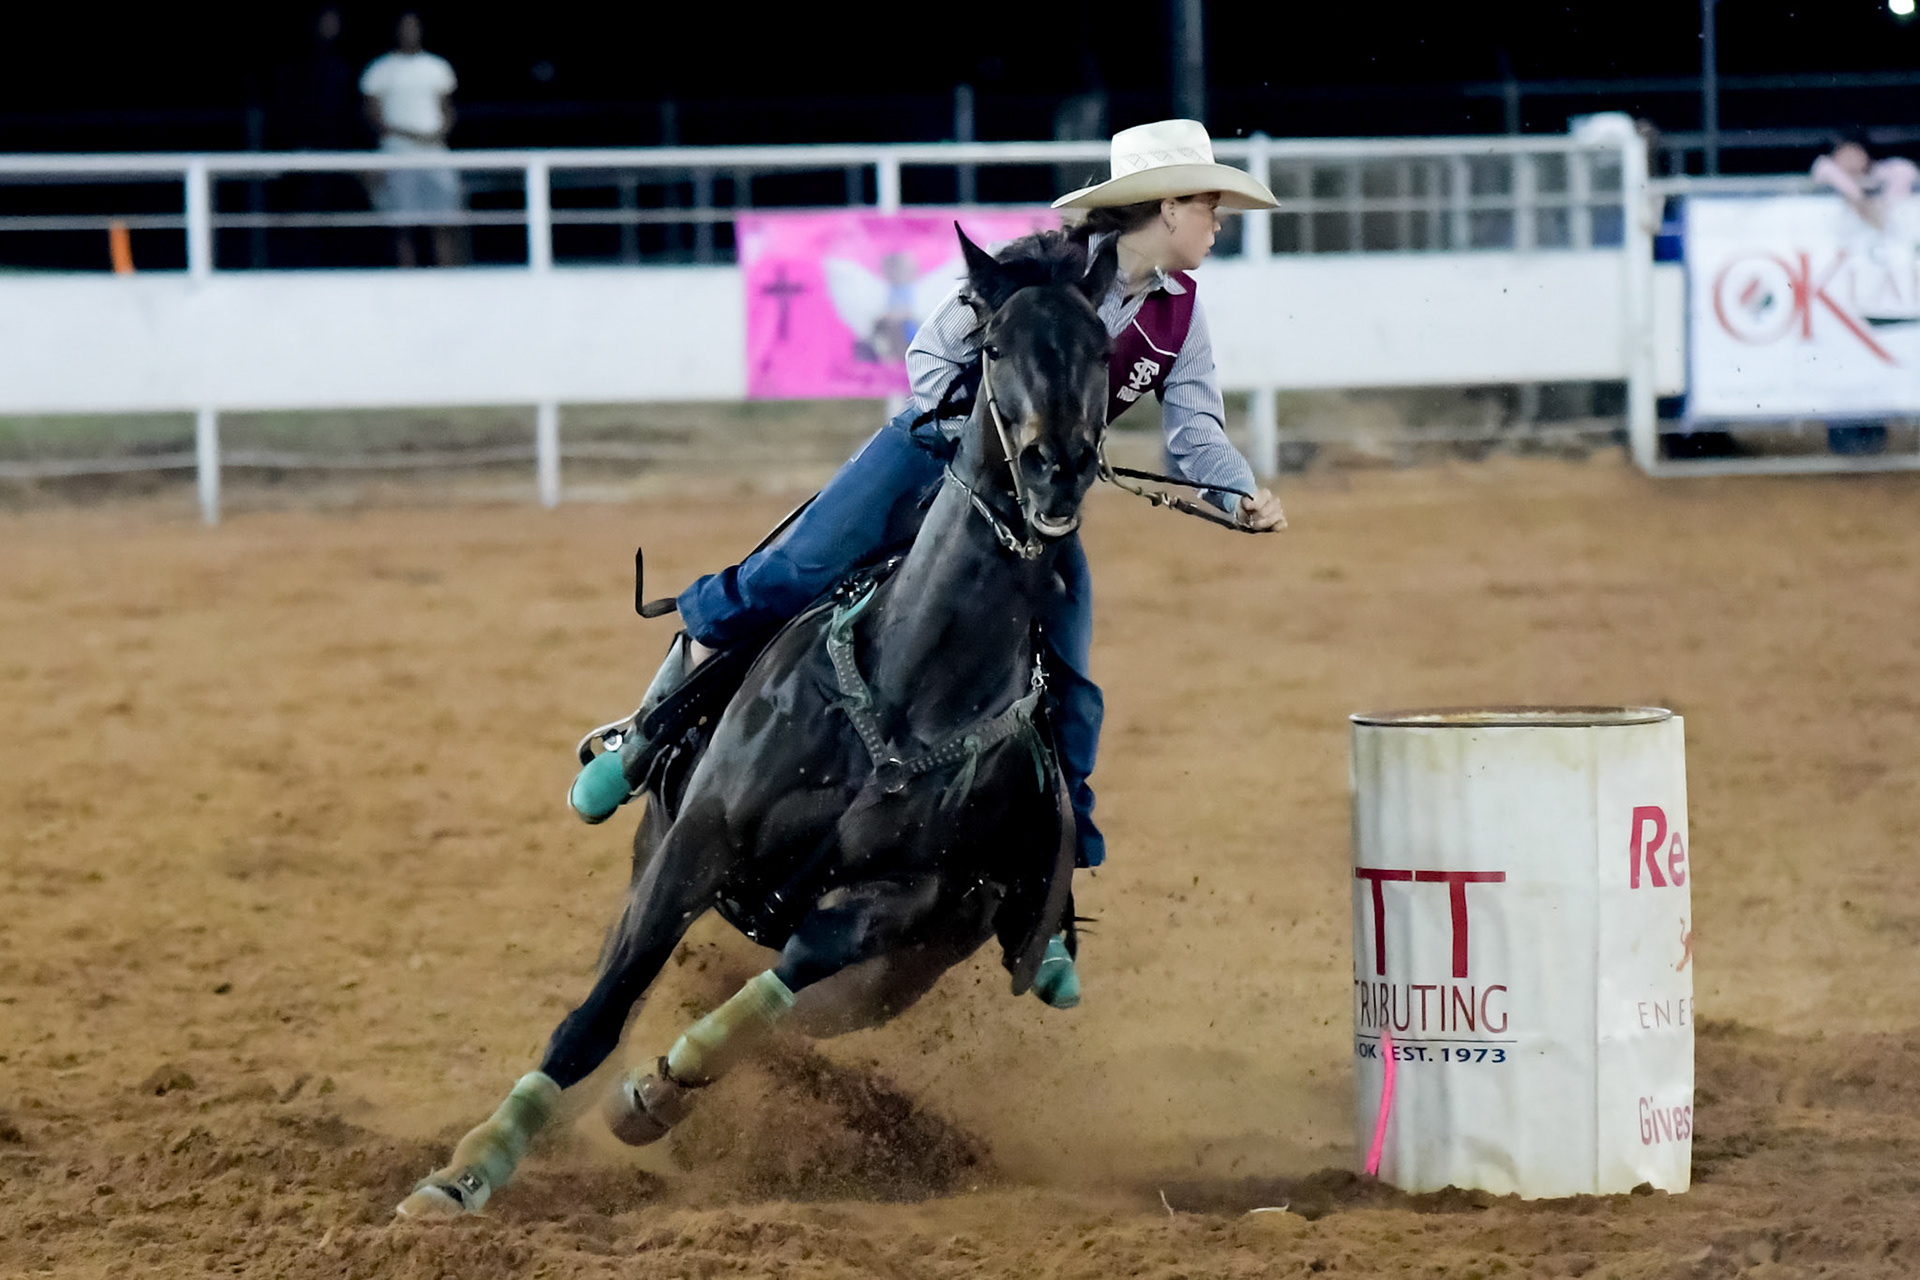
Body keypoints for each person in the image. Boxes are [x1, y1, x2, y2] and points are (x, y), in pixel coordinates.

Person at [570, 119, 1288, 1005]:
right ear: (1168, 206)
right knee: (790, 576)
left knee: (1069, 685)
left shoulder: (1180, 315)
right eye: (1212, 205)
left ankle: (1046, 899)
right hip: (927, 458)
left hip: (1031, 511)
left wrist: (1235, 492)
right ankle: (647, 735)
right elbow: (928, 357)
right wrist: (977, 453)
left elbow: (1196, 431)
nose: (1220, 223)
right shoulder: (1034, 269)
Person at [1811, 128, 1917, 455]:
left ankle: (1874, 430)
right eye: (1843, 152)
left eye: (1854, 150)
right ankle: (1843, 434)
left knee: (1880, 349)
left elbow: (1904, 173)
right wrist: (1860, 196)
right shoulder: (1828, 172)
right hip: (1838, 283)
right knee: (1841, 352)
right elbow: (1826, 172)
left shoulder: (1887, 172)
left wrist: (1880, 198)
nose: (1850, 159)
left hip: (1879, 283)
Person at [359, 12, 462, 268]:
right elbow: (373, 115)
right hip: (397, 153)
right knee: (402, 224)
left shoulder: (437, 67)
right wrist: (408, 136)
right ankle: (407, 278)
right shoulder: (379, 70)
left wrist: (436, 135)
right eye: (405, 27)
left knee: (444, 221)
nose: (409, 32)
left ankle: (448, 277)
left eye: (413, 27)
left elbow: (447, 109)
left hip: (434, 153)